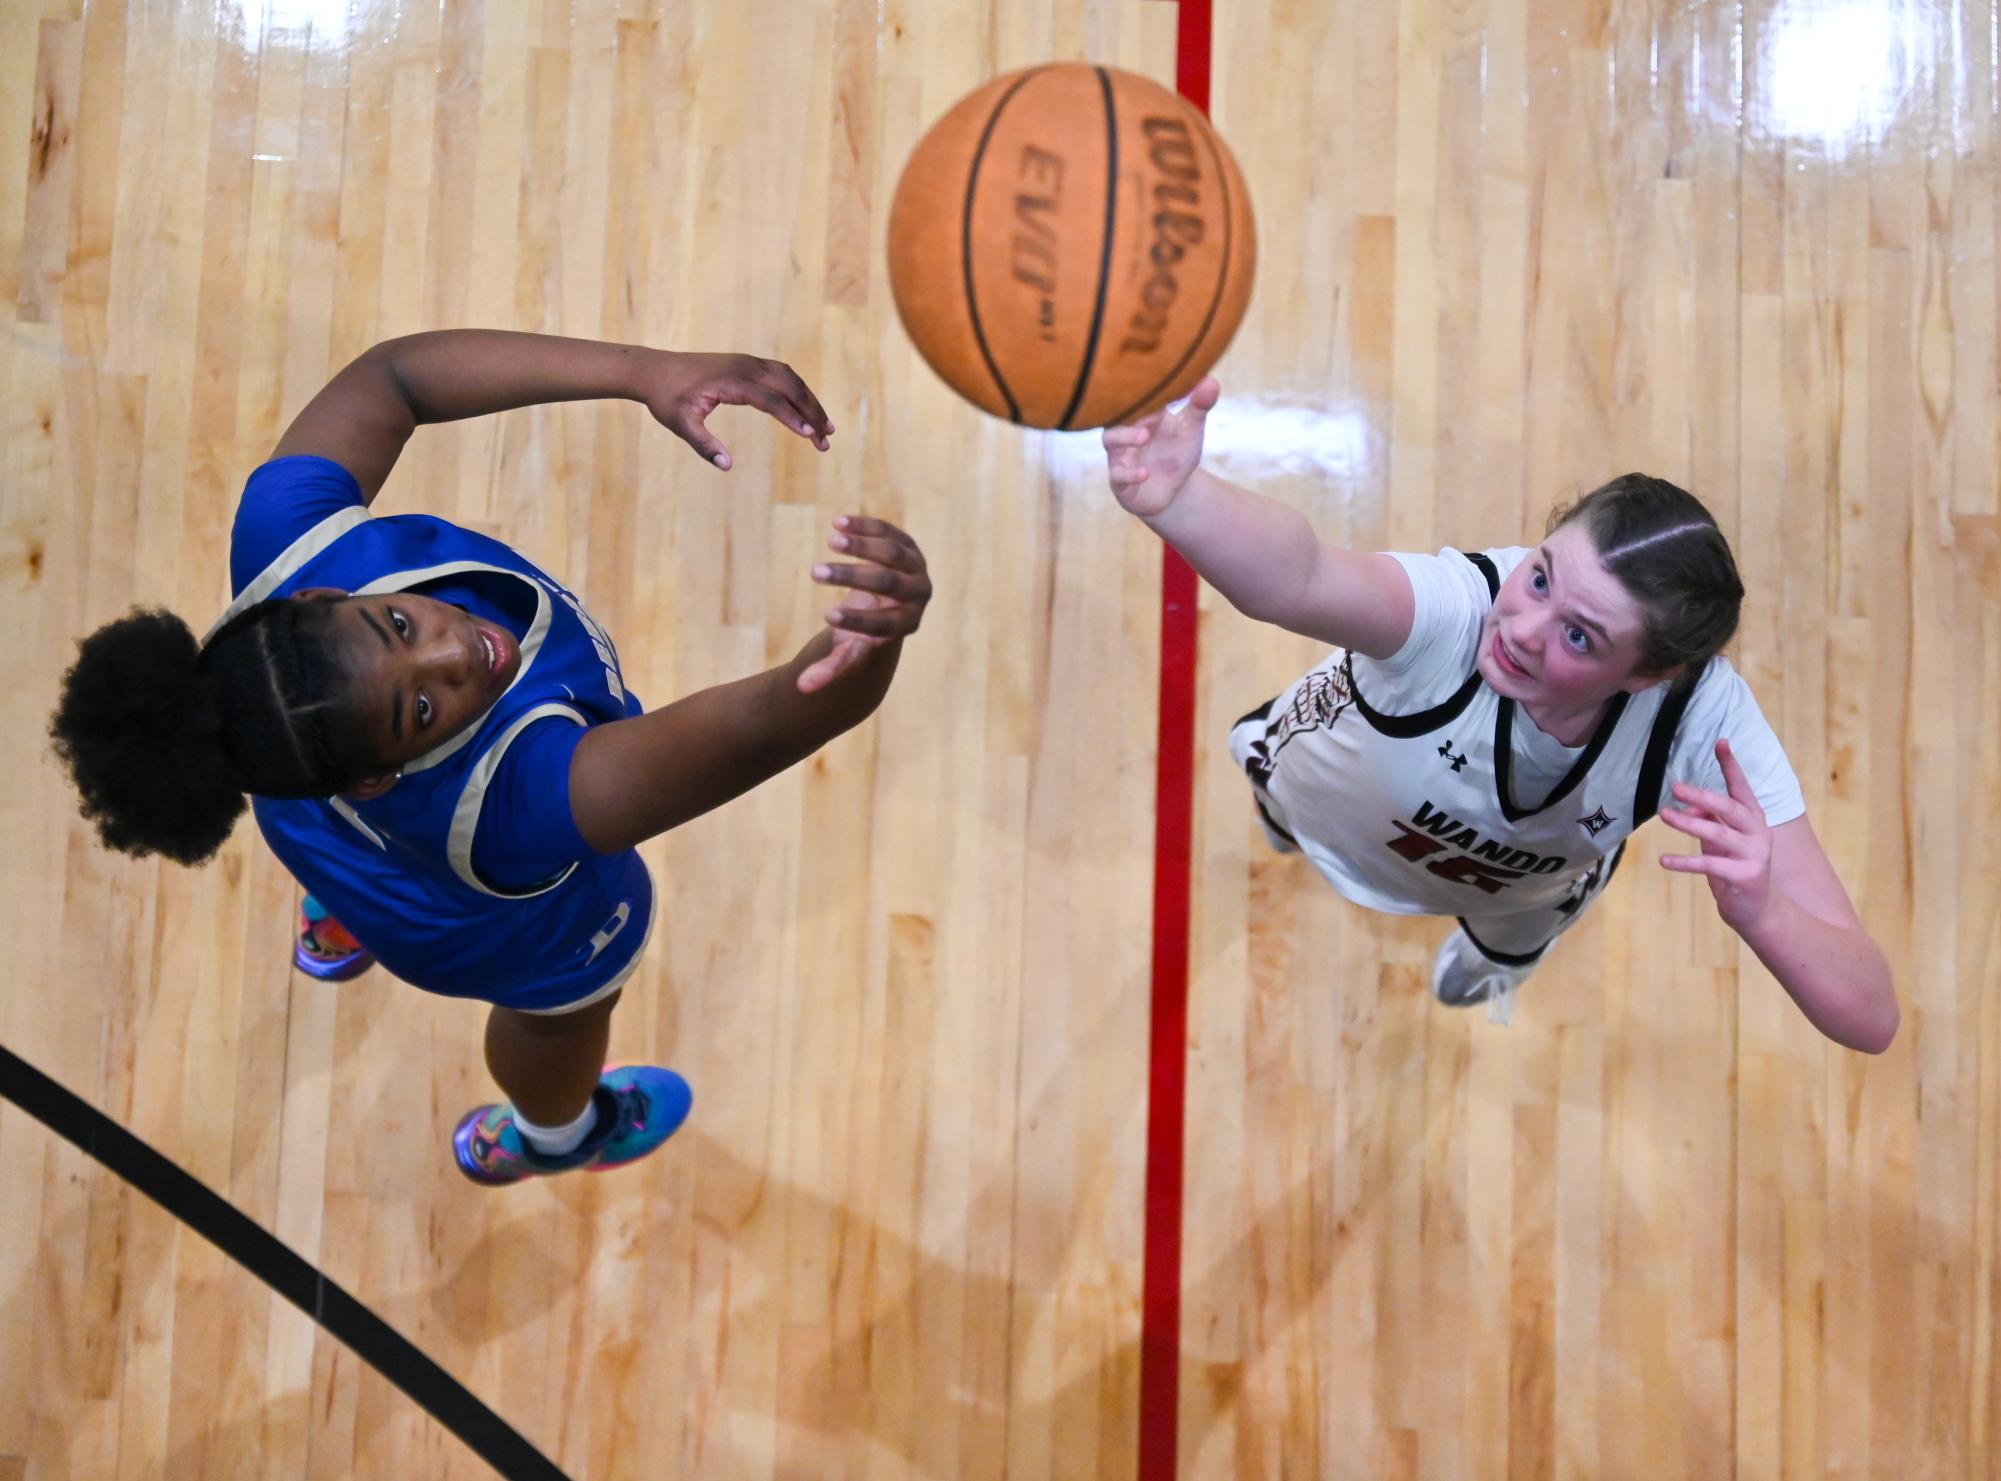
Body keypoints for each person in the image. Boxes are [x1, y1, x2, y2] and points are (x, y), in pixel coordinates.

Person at [50, 329, 935, 1181]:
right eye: (421, 705)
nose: (454, 651)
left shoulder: (283, 589)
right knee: (563, 1012)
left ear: (320, 593)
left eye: (397, 624)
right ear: (378, 769)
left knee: (331, 813)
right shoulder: (526, 801)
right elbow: (772, 722)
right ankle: (555, 1136)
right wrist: (874, 634)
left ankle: (339, 913)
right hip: (482, 926)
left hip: (318, 822)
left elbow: (396, 378)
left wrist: (644, 371)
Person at [1102, 378, 1897, 1050]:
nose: (1520, 629)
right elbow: (1301, 578)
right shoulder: (1457, 614)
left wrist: (1763, 914)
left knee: (1515, 936)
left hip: (1517, 888)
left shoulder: (1700, 723)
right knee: (1281, 804)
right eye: (1542, 578)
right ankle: (1283, 826)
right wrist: (1182, 502)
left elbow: (1870, 1016)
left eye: (1579, 636)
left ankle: (1495, 964)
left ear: (1649, 674)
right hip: (1330, 794)